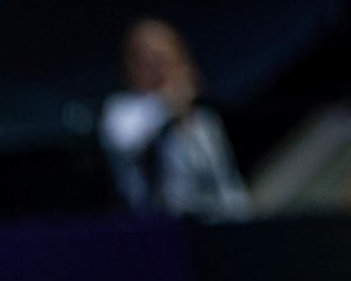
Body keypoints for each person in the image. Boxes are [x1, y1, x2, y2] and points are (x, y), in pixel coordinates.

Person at [100, 18, 251, 220]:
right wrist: (168, 104)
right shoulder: (121, 110)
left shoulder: (204, 120)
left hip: (212, 224)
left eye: (165, 60)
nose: (159, 70)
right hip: (155, 228)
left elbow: (226, 182)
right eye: (148, 61)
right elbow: (126, 141)